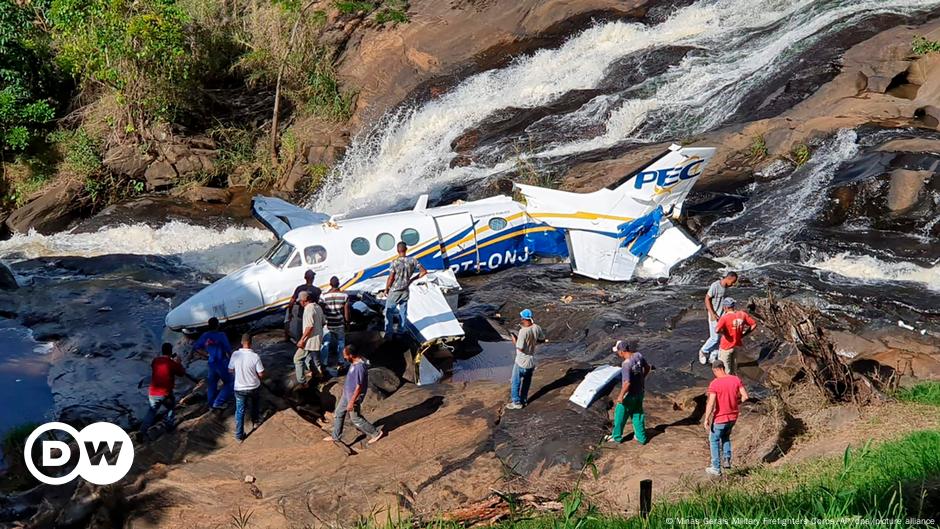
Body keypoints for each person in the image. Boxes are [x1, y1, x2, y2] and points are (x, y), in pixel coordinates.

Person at [324, 345, 385, 444]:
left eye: (345, 355)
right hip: (347, 394)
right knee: (339, 412)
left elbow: (359, 386)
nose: (344, 357)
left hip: (354, 396)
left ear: (351, 355)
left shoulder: (359, 367)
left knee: (355, 418)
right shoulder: (354, 362)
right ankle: (336, 436)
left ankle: (375, 433)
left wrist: (352, 402)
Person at [703, 359, 748, 476]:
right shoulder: (735, 379)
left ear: (715, 370)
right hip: (733, 416)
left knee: (714, 440)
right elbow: (745, 396)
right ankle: (727, 459)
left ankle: (716, 468)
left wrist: (706, 418)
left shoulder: (715, 383)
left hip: (720, 417)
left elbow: (711, 403)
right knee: (726, 436)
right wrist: (737, 403)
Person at [605, 340, 650, 445]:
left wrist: (620, 396)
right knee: (637, 414)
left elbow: (627, 383)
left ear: (622, 351)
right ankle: (641, 437)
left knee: (619, 415)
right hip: (640, 392)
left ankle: (616, 437)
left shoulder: (626, 364)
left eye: (618, 351)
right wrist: (641, 379)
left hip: (629, 395)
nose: (617, 354)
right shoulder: (638, 355)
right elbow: (647, 368)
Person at [140, 343, 188, 438]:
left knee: (152, 411)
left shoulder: (155, 361)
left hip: (153, 392)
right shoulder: (172, 364)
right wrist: (178, 362)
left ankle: (142, 431)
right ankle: (169, 426)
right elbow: (182, 373)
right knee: (171, 407)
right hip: (165, 393)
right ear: (171, 351)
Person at [384, 242, 427, 338]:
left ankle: (388, 334)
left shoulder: (394, 262)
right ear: (406, 249)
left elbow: (391, 278)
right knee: (403, 311)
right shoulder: (413, 260)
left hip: (395, 290)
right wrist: (412, 279)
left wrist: (386, 289)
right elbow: (424, 272)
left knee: (388, 311)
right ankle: (401, 331)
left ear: (397, 250)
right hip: (405, 289)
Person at [506, 309, 545, 410]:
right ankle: (524, 400)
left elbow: (520, 348)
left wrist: (514, 339)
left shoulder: (523, 331)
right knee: (527, 382)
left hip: (521, 362)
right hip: (531, 362)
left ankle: (516, 402)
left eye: (521, 317)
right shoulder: (537, 327)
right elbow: (542, 340)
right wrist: (532, 342)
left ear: (523, 318)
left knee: (515, 382)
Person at [229, 334, 265, 442]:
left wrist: (238, 373)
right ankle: (255, 422)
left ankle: (239, 436)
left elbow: (230, 370)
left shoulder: (235, 355)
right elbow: (261, 374)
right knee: (255, 404)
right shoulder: (255, 356)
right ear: (251, 343)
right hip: (253, 386)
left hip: (239, 388)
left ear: (241, 342)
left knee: (240, 411)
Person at [192, 317, 233, 410]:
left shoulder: (205, 335)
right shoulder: (221, 335)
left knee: (212, 383)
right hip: (221, 362)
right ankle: (218, 402)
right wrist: (232, 362)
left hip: (211, 362)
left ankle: (211, 404)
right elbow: (228, 350)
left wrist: (206, 354)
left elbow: (197, 347)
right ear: (217, 325)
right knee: (229, 382)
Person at [699, 271, 738, 365]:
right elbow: (707, 299)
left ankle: (713, 355)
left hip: (723, 316)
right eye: (733, 282)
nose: (733, 284)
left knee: (722, 337)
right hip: (714, 315)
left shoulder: (727, 288)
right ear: (729, 278)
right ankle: (703, 351)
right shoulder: (715, 286)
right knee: (714, 338)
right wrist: (712, 314)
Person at [714, 298, 757, 375]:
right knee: (734, 367)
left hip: (726, 346)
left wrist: (724, 332)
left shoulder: (724, 318)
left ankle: (727, 385)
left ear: (725, 307)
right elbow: (754, 324)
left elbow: (717, 330)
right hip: (736, 344)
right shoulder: (742, 314)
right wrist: (744, 334)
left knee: (725, 369)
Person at [294, 291, 326, 384]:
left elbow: (309, 326)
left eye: (300, 301)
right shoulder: (317, 307)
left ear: (304, 300)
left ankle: (302, 382)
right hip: (318, 337)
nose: (300, 303)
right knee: (314, 358)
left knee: (297, 358)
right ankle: (318, 374)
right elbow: (323, 322)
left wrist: (302, 339)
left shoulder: (308, 309)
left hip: (309, 340)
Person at [321, 276, 351, 371]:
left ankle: (324, 363)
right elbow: (346, 311)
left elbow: (322, 311)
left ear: (330, 284)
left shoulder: (323, 296)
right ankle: (341, 362)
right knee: (341, 343)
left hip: (328, 323)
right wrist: (347, 322)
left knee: (326, 344)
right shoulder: (344, 296)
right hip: (339, 323)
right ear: (338, 284)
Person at [285, 270, 321, 342]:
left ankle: (298, 343)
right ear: (313, 278)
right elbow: (317, 304)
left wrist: (289, 312)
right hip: (311, 315)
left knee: (300, 332)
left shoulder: (299, 288)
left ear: (305, 278)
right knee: (310, 332)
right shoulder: (317, 290)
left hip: (301, 314)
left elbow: (292, 301)